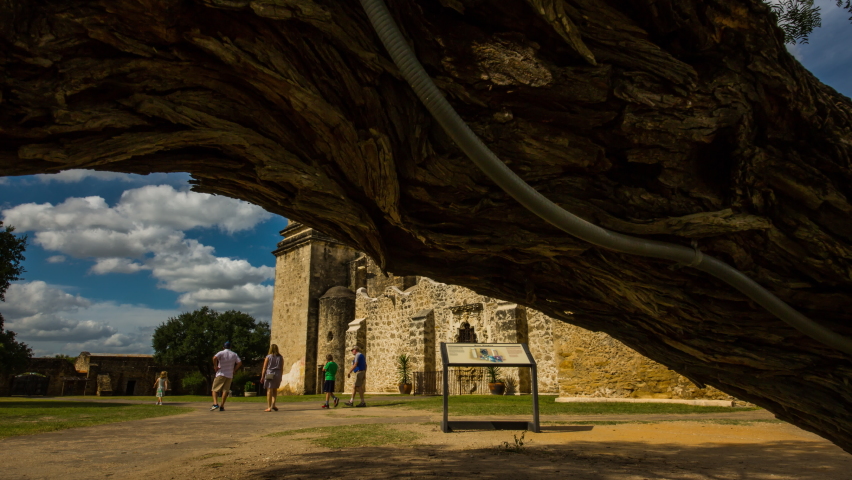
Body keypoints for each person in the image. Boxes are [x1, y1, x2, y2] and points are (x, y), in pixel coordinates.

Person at [211, 341, 241, 412]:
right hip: (229, 375)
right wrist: (234, 370)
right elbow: (239, 363)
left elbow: (214, 358)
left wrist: (215, 366)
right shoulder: (234, 354)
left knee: (214, 390)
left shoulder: (221, 352)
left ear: (223, 347)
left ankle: (215, 403)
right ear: (230, 347)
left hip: (221, 373)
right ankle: (222, 406)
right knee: (225, 391)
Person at [260, 344, 284, 412]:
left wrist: (262, 376)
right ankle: (273, 404)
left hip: (270, 373)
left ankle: (269, 406)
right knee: (275, 389)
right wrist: (281, 376)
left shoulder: (268, 357)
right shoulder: (280, 357)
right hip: (278, 373)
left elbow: (264, 367)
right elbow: (282, 367)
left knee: (269, 390)